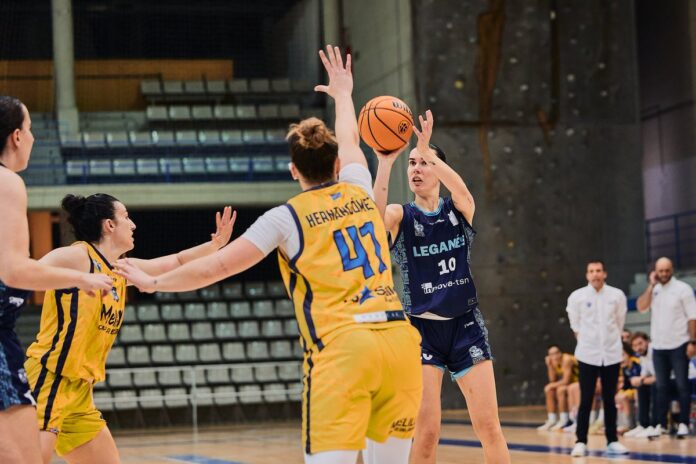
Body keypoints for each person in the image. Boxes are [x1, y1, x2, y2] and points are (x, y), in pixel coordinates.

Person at [116, 45, 423, 464]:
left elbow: (218, 266)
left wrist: (154, 282)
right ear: (336, 165)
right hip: (399, 342)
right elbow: (350, 137)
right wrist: (344, 94)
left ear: (293, 170)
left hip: (344, 348)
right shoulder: (358, 185)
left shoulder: (284, 218)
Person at [25, 193, 234, 464]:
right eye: (125, 216)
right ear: (109, 225)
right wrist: (78, 278)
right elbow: (23, 274)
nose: (133, 224)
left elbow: (176, 262)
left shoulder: (122, 269)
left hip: (80, 391)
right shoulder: (76, 256)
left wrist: (215, 244)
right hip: (50, 377)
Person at [372, 111, 510, 464]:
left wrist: (424, 147)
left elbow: (462, 189)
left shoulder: (458, 210)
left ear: (438, 169)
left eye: (424, 162)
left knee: (489, 427)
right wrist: (386, 164)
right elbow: (370, 223)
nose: (416, 168)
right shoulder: (400, 215)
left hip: (465, 326)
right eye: (413, 163)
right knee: (428, 432)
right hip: (421, 331)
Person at [0, 96, 113, 463]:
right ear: (16, 136)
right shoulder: (7, 182)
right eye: (31, 130)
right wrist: (81, 280)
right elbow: (16, 269)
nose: (33, 138)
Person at [566, 260, 629, 457]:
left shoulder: (617, 295)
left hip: (611, 354)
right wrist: (587, 341)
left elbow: (620, 322)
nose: (595, 274)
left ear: (605, 273)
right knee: (586, 399)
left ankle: (612, 440)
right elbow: (575, 325)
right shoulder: (577, 297)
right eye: (591, 271)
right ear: (587, 275)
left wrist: (611, 341)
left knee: (610, 399)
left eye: (599, 271)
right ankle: (580, 441)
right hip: (588, 354)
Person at [636, 257, 696, 439]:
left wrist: (693, 342)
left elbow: (692, 317)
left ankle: (684, 423)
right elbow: (641, 307)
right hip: (659, 347)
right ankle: (661, 424)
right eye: (660, 271)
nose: (663, 274)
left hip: (679, 344)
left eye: (666, 270)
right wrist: (650, 286)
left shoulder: (682, 290)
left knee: (681, 384)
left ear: (672, 270)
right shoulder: (654, 290)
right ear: (655, 272)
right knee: (661, 386)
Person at [537, 345, 580, 431]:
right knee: (550, 391)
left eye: (557, 353)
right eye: (552, 354)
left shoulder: (566, 359)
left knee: (560, 390)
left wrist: (551, 385)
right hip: (571, 384)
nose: (555, 356)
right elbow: (552, 379)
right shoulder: (553, 362)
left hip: (580, 382)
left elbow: (566, 381)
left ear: (560, 353)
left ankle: (565, 420)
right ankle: (552, 420)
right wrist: (549, 365)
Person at [625, 332, 658, 438]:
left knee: (654, 386)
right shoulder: (643, 356)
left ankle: (655, 425)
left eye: (640, 343)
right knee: (642, 386)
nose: (638, 348)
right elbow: (644, 375)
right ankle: (643, 425)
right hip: (659, 383)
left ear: (647, 341)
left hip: (681, 381)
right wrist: (637, 380)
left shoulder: (655, 352)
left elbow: (659, 377)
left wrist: (642, 380)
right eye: (635, 346)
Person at [615, 343, 641, 433]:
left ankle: (629, 425)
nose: (621, 358)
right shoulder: (625, 367)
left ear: (629, 354)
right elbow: (626, 385)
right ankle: (620, 424)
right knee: (618, 396)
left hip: (641, 389)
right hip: (631, 390)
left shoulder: (636, 362)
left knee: (623, 397)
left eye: (623, 355)